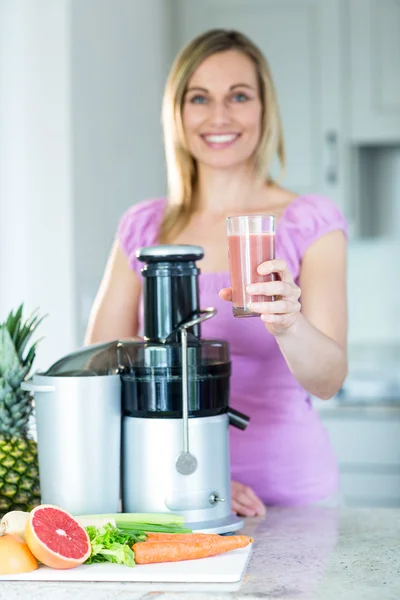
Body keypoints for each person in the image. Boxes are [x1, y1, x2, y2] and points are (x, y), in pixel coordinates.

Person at [85, 29, 348, 515]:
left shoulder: (310, 221)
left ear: (264, 109)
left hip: (290, 498)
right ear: (178, 113)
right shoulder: (144, 227)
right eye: (200, 98)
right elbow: (98, 373)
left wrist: (290, 325)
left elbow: (329, 379)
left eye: (239, 96)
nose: (220, 116)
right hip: (170, 492)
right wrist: (192, 473)